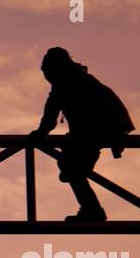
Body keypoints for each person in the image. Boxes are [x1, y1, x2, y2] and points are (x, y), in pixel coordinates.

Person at [29, 47, 134, 223]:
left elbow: (51, 117)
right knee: (71, 165)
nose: (47, 78)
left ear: (54, 69)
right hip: (105, 128)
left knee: (71, 167)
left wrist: (39, 134)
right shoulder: (78, 78)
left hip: (101, 128)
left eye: (47, 73)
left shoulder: (66, 82)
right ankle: (90, 205)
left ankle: (92, 210)